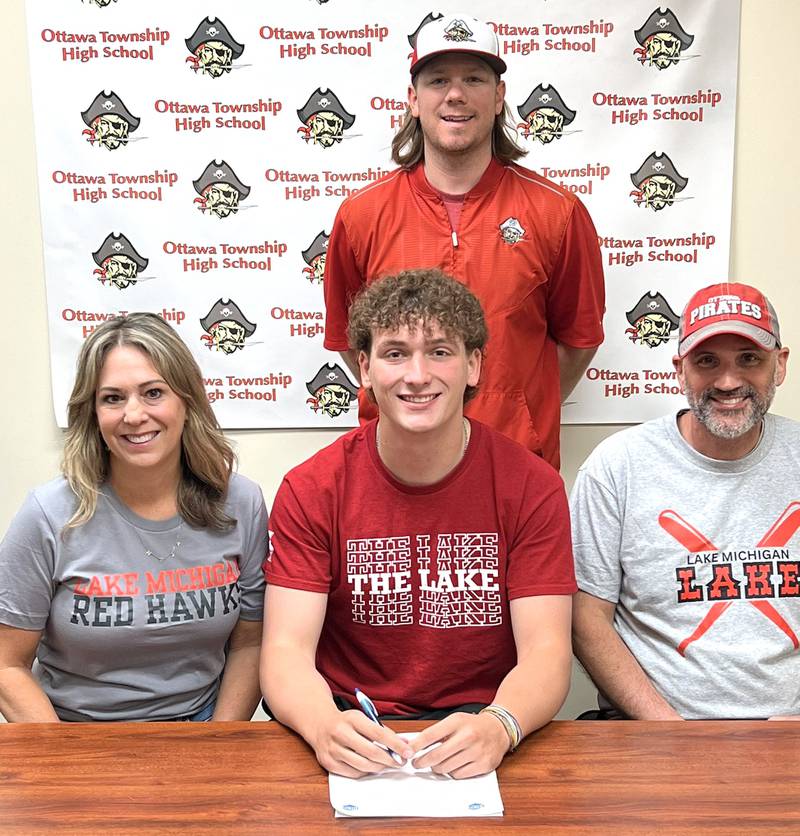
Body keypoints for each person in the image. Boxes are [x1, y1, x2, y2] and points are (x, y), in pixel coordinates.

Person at [262, 269, 575, 778]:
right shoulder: (312, 487)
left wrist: (501, 725)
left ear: (474, 365)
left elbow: (547, 651)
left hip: (480, 729)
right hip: (348, 726)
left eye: (440, 351)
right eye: (394, 353)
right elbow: (283, 650)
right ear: (363, 367)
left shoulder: (531, 485)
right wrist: (322, 726)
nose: (417, 374)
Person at [323, 12, 605, 469]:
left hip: (516, 463)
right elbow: (349, 339)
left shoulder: (558, 213)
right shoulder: (361, 215)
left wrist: (518, 408)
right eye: (438, 80)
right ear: (414, 99)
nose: (456, 94)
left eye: (474, 78)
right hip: (395, 465)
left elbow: (578, 340)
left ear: (498, 97)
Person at [0, 313, 267, 722]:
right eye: (112, 398)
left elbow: (250, 644)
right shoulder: (48, 514)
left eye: (153, 392)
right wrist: (64, 762)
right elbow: (7, 666)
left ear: (187, 398)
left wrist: (218, 744)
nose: (134, 414)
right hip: (77, 735)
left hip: (199, 729)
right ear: (92, 412)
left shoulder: (241, 503)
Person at [570, 281, 800, 720]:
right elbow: (586, 619)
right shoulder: (617, 467)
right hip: (654, 728)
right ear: (680, 370)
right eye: (707, 361)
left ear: (780, 365)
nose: (728, 381)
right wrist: (669, 729)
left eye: (749, 359)